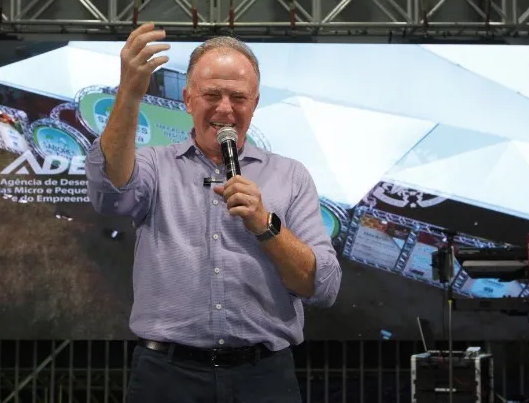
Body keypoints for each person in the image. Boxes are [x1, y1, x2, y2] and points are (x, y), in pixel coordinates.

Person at [85, 22, 342, 403]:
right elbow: (109, 196)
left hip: (264, 377)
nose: (225, 109)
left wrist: (265, 224)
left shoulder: (290, 176)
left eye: (238, 97)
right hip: (167, 377)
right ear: (188, 100)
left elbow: (322, 287)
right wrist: (129, 94)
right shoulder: (155, 166)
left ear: (254, 104)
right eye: (211, 95)